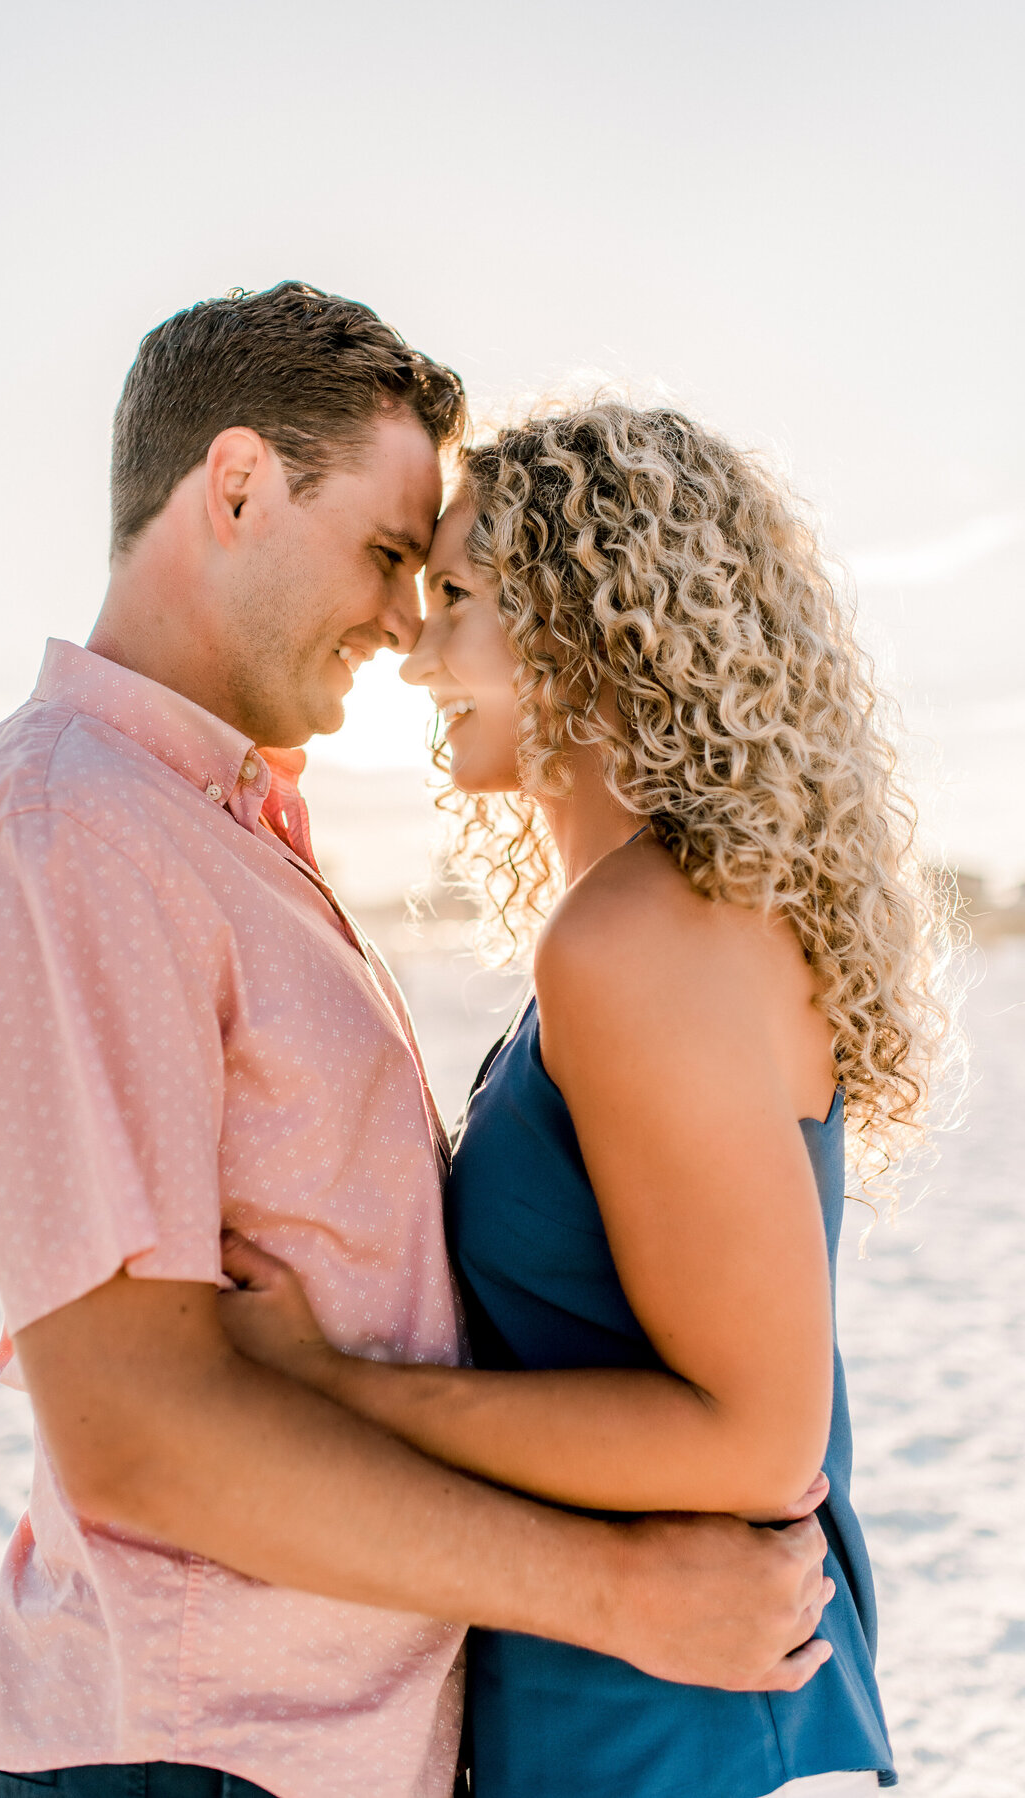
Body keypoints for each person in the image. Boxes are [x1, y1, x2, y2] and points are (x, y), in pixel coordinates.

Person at [0, 293, 833, 1798]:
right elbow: (139, 1434)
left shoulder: (222, 827)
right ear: (241, 485)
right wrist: (624, 1593)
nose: (406, 623)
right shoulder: (64, 832)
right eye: (393, 557)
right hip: (201, 1750)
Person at [212, 401, 957, 1797]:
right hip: (684, 1718)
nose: (417, 656)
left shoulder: (636, 938)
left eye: (459, 599)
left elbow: (757, 1439)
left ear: (591, 624)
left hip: (689, 1737)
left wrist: (338, 1391)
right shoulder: (658, 917)